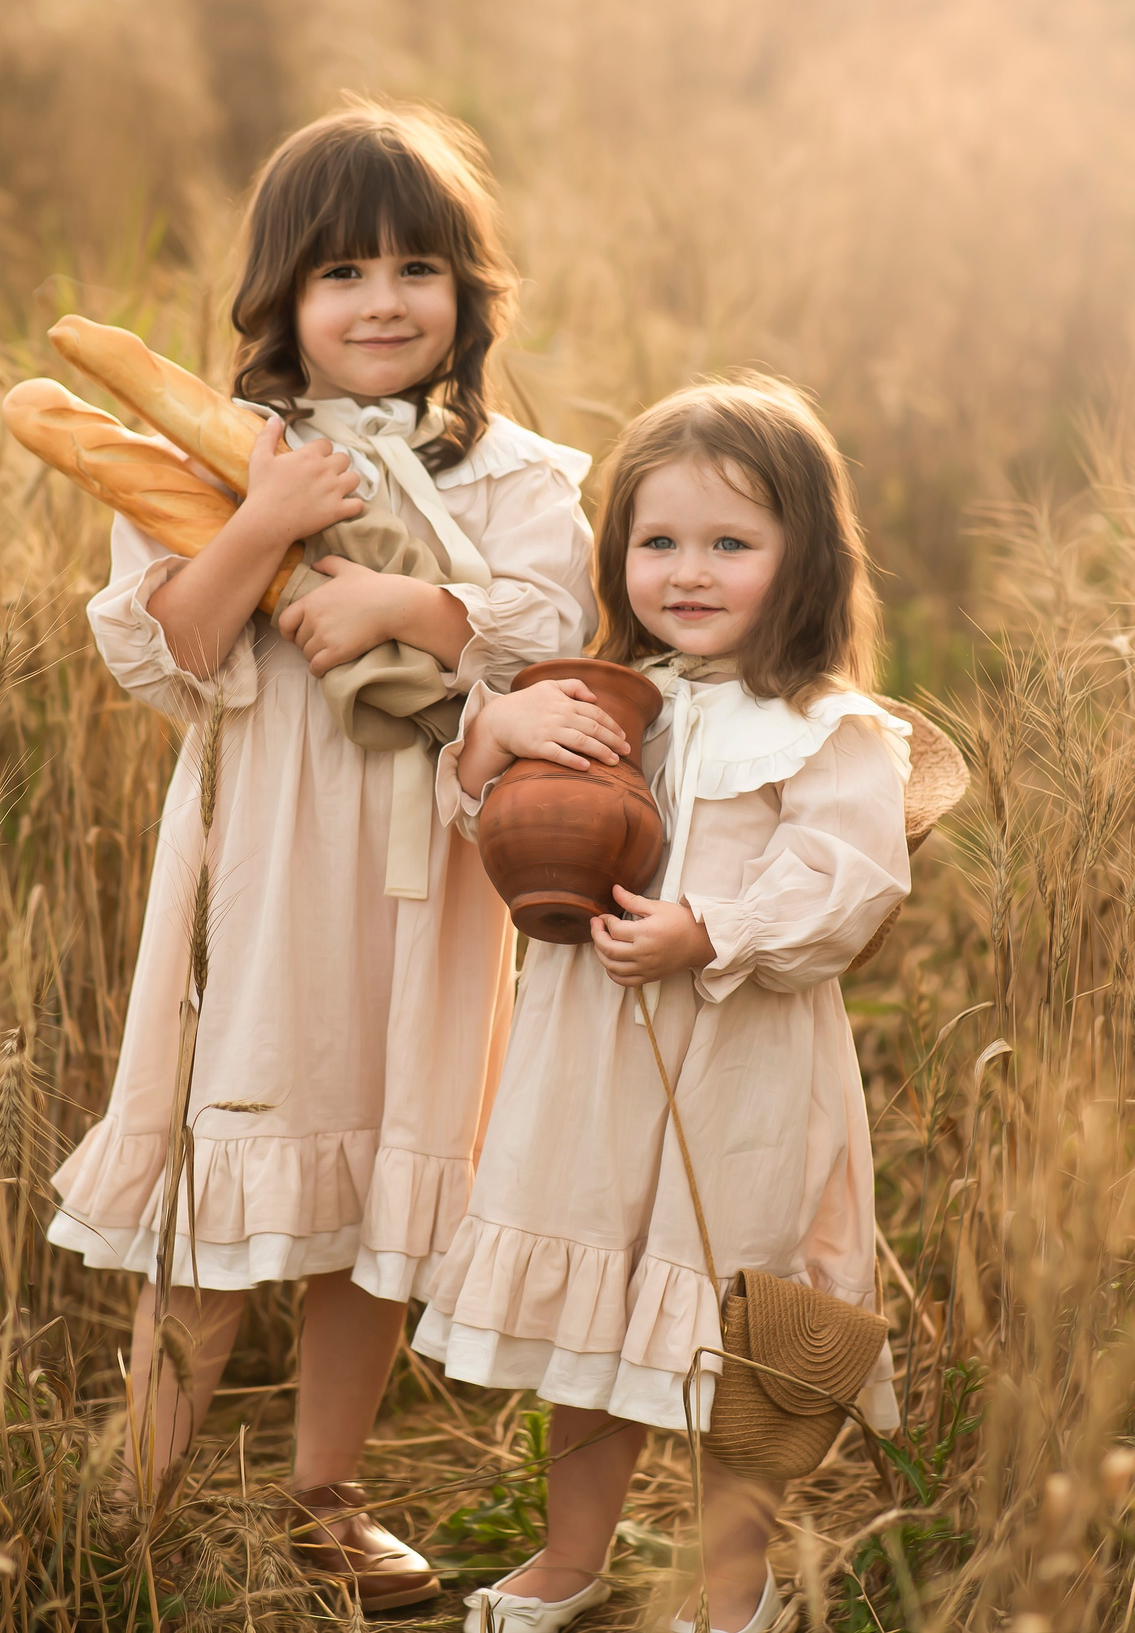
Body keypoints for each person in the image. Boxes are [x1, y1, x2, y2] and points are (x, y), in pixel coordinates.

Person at [45, 101, 596, 1611]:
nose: (381, 301)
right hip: (269, 871)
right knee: (230, 1161)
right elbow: (165, 660)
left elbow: (555, 634)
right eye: (342, 272)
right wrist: (264, 524)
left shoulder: (519, 477)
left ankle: (321, 1497)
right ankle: (133, 1498)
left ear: (467, 300)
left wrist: (409, 611)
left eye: (419, 268)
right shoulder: (213, 461)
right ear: (281, 298)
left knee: (377, 1183)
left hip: (434, 879)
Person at [416, 378, 912, 1633]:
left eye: (731, 545)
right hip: (592, 1057)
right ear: (617, 552)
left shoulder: (822, 726)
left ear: (803, 561)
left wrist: (710, 928)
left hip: (737, 1063)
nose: (689, 573)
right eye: (659, 543)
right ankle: (570, 1556)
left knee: (738, 1318)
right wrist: (488, 746)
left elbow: (849, 882)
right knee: (590, 1294)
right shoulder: (595, 701)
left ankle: (731, 1584)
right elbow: (497, 824)